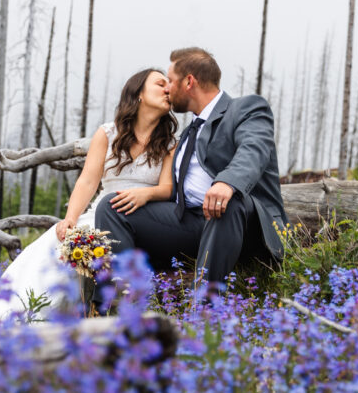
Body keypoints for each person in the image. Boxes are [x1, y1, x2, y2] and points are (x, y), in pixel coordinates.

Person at [0, 68, 177, 319]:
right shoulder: (108, 133)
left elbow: (166, 189)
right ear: (139, 94)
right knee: (56, 245)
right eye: (160, 83)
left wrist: (146, 195)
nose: (168, 88)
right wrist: (70, 218)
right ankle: (3, 317)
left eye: (169, 84)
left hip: (143, 217)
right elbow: (88, 181)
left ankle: (91, 319)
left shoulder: (169, 142)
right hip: (102, 212)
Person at [95, 47, 287, 289]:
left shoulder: (246, 109)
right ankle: (120, 300)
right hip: (193, 221)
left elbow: (254, 149)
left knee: (226, 203)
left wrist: (227, 182)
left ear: (189, 81)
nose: (167, 89)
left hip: (243, 225)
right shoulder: (188, 133)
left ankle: (204, 309)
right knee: (111, 207)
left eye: (171, 81)